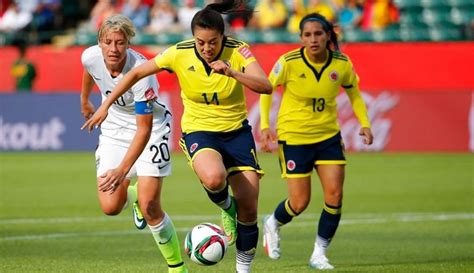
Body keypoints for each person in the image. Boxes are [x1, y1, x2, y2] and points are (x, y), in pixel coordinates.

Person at [82, 1, 272, 272]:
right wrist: (105, 104)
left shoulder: (239, 52)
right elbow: (136, 73)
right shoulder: (180, 52)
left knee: (250, 209)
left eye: (213, 42)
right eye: (200, 42)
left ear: (223, 38)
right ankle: (226, 206)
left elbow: (265, 86)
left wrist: (231, 72)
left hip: (237, 132)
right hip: (200, 131)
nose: (206, 48)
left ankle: (243, 269)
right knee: (215, 178)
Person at [259, 13, 373, 270]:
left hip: (328, 137)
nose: (313, 39)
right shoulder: (288, 62)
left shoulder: (341, 63)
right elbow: (267, 90)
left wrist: (364, 122)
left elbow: (353, 92)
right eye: (308, 35)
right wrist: (265, 126)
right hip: (294, 137)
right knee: (299, 203)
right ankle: (273, 222)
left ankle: (319, 254)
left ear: (327, 35)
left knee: (335, 196)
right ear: (301, 38)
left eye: (318, 34)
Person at [79, 14, 187, 273]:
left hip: (151, 129)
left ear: (129, 44)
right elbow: (89, 70)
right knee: (110, 206)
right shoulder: (90, 55)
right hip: (115, 127)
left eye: (120, 43)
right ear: (100, 43)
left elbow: (143, 129)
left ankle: (177, 268)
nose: (113, 49)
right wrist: (84, 99)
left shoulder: (142, 73)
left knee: (151, 206)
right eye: (108, 42)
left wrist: (122, 171)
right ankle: (133, 196)